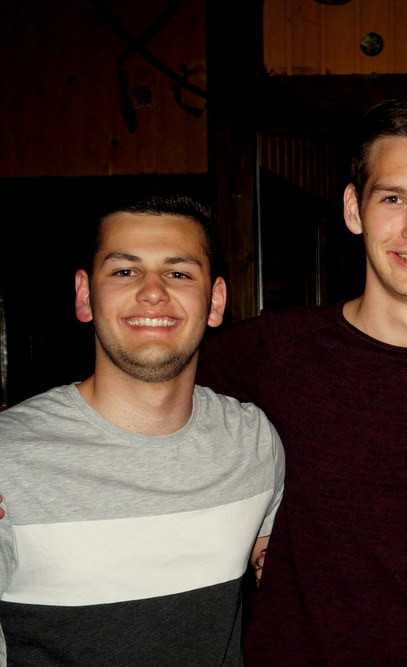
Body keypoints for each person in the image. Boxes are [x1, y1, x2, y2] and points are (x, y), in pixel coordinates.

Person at [196, 99, 407, 665]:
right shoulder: (273, 351)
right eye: (393, 198)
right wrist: (246, 529)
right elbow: (154, 410)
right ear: (354, 209)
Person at [0, 194, 284, 664]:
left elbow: (279, 567)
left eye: (179, 273)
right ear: (85, 295)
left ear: (215, 301)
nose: (153, 291)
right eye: (125, 271)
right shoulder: (8, 458)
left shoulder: (253, 442)